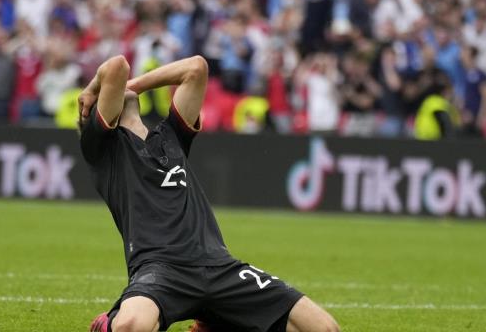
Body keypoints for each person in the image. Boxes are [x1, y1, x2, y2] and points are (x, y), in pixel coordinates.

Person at [78, 55, 339, 332]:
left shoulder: (171, 136)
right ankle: (109, 324)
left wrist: (133, 86)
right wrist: (95, 86)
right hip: (161, 270)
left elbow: (196, 68)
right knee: (130, 327)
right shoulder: (104, 150)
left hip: (220, 267)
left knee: (325, 329)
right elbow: (117, 66)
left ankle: (217, 320)